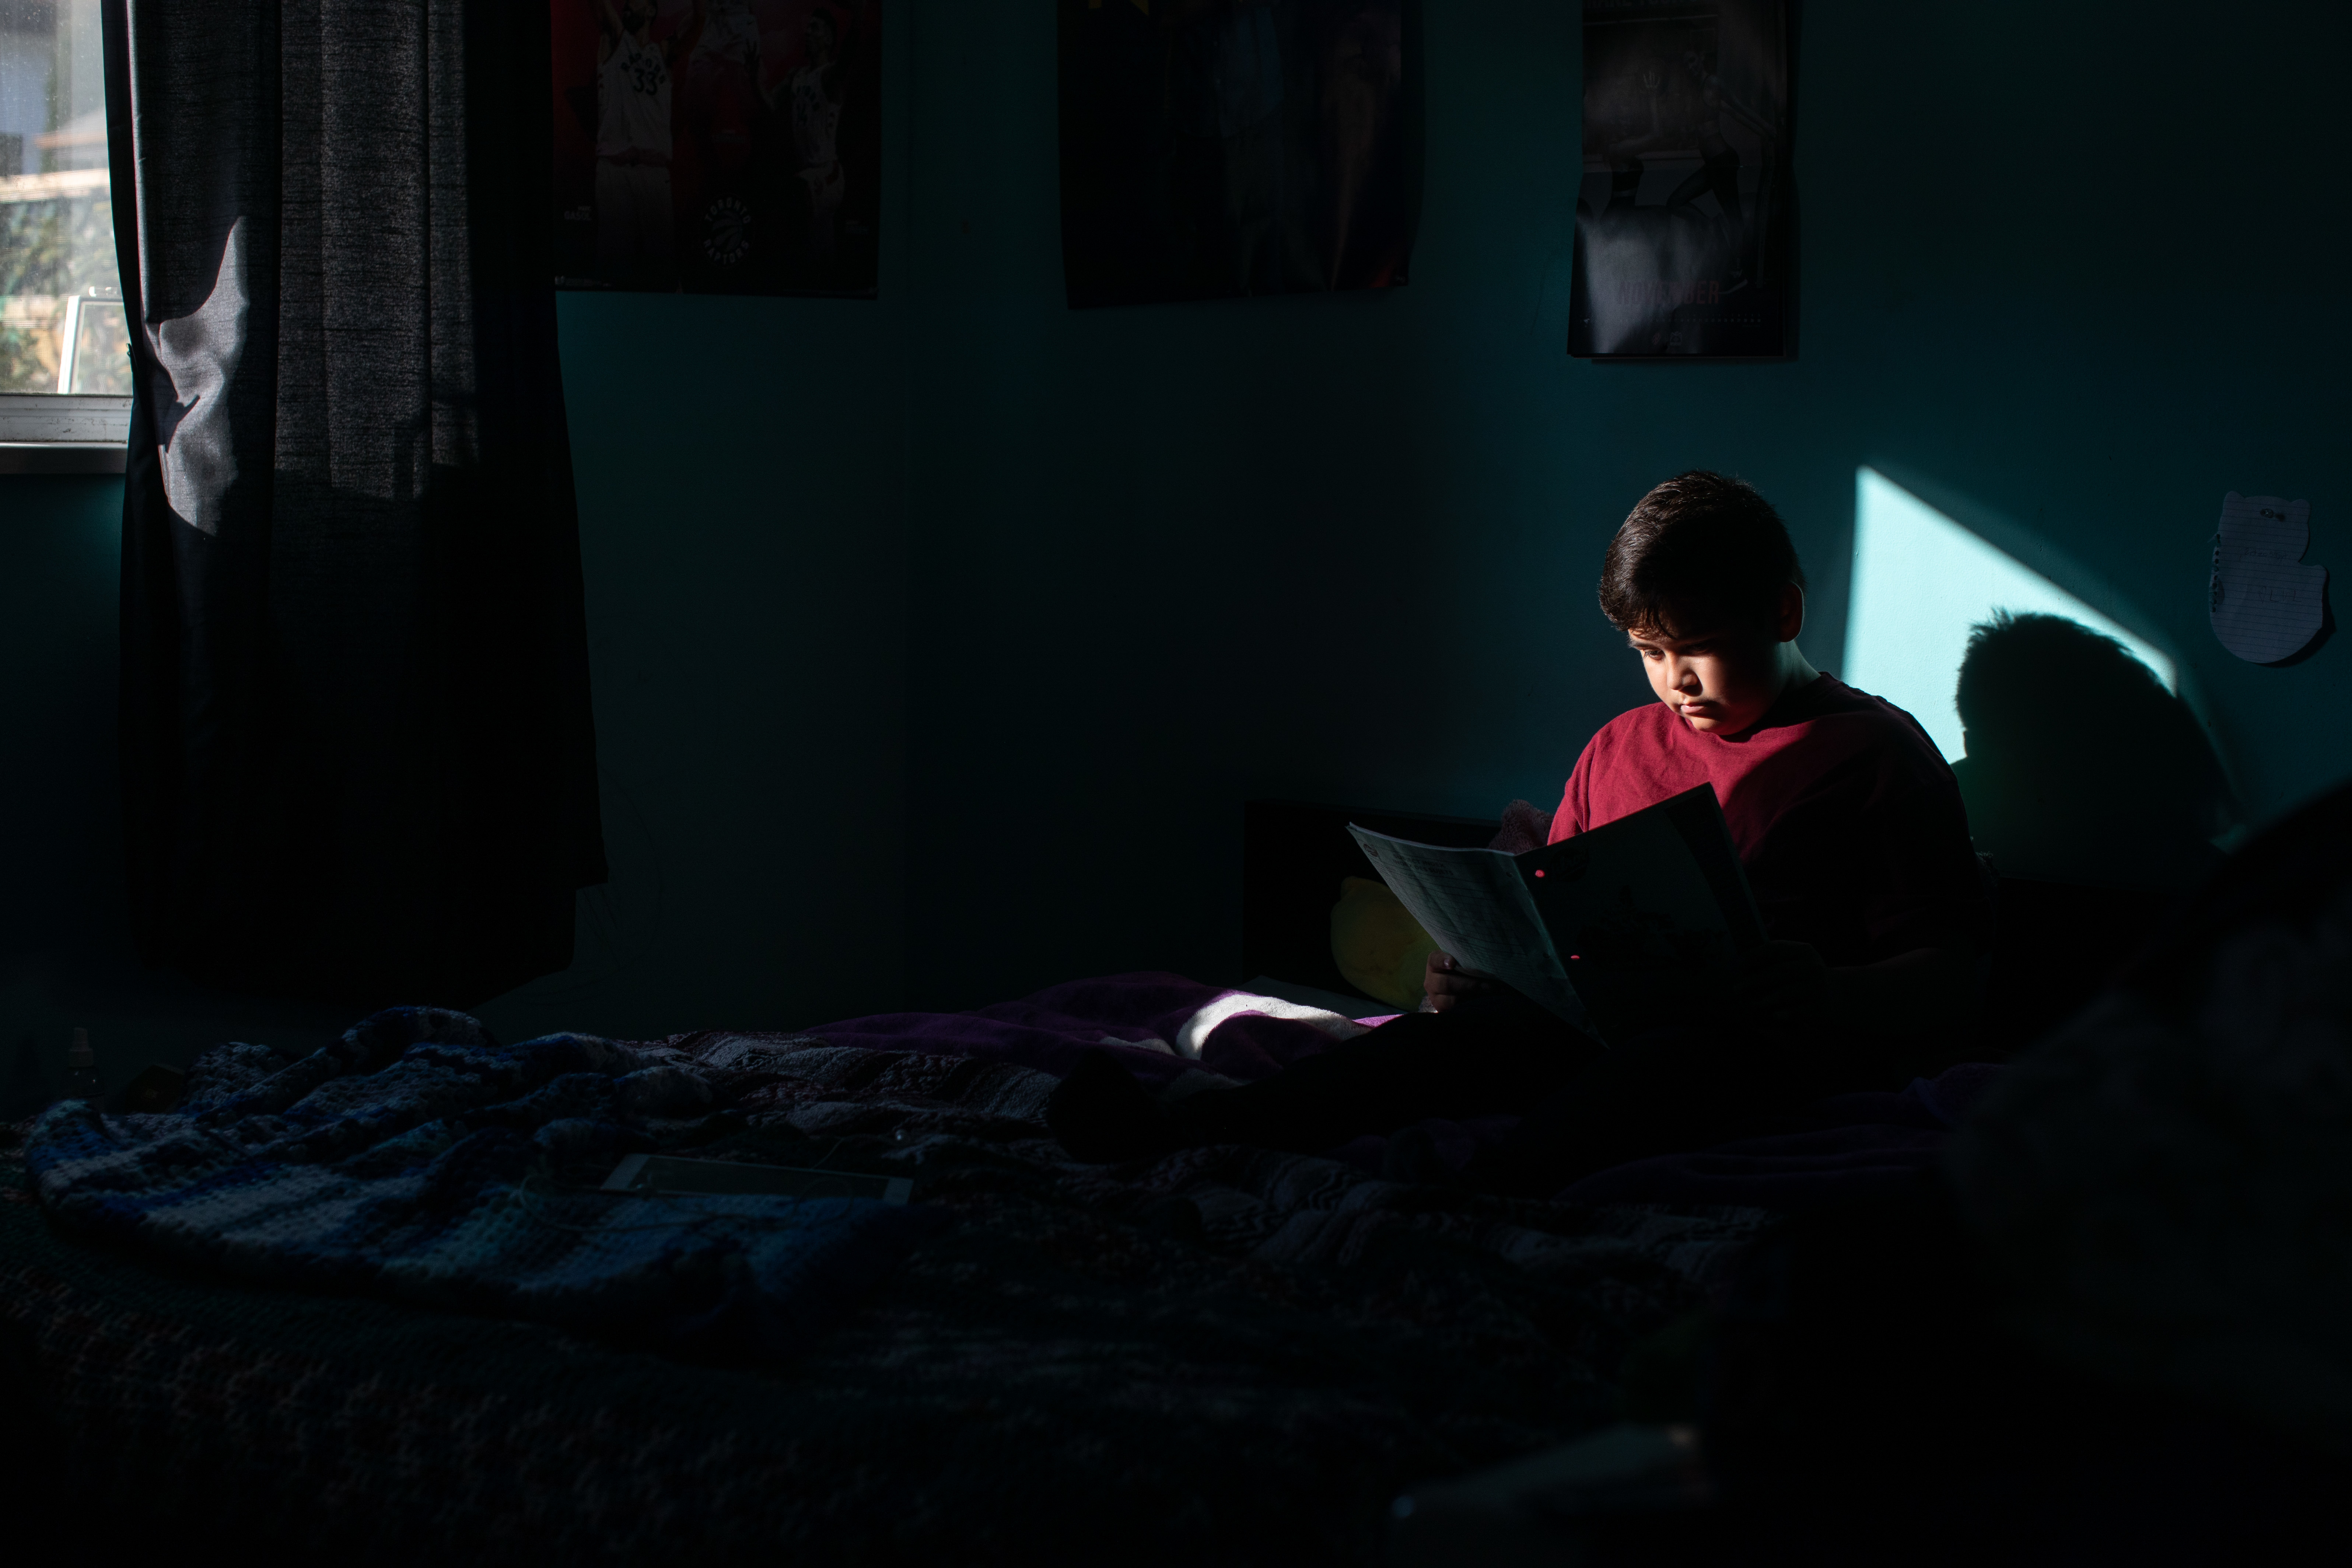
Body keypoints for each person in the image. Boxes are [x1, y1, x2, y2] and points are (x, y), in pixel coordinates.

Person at [1048, 471, 1994, 1193]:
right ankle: (1192, 1133)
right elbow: (1557, 911)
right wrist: (1476, 963)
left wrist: (1829, 988)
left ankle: (1486, 1194)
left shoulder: (1875, 757)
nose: (1676, 682)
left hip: (1757, 1049)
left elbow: (1961, 976)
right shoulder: (1622, 745)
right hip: (1585, 1029)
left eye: (1696, 646)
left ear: (1782, 611)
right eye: (1650, 655)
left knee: (1660, 1079)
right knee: (1424, 1052)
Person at [594, 0, 707, 289]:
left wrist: (699, 10)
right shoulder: (615, 40)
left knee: (660, 270)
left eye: (636, 1)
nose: (628, 5)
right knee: (617, 271)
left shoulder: (663, 52)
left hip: (654, 174)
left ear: (652, 11)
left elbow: (695, 27)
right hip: (615, 171)